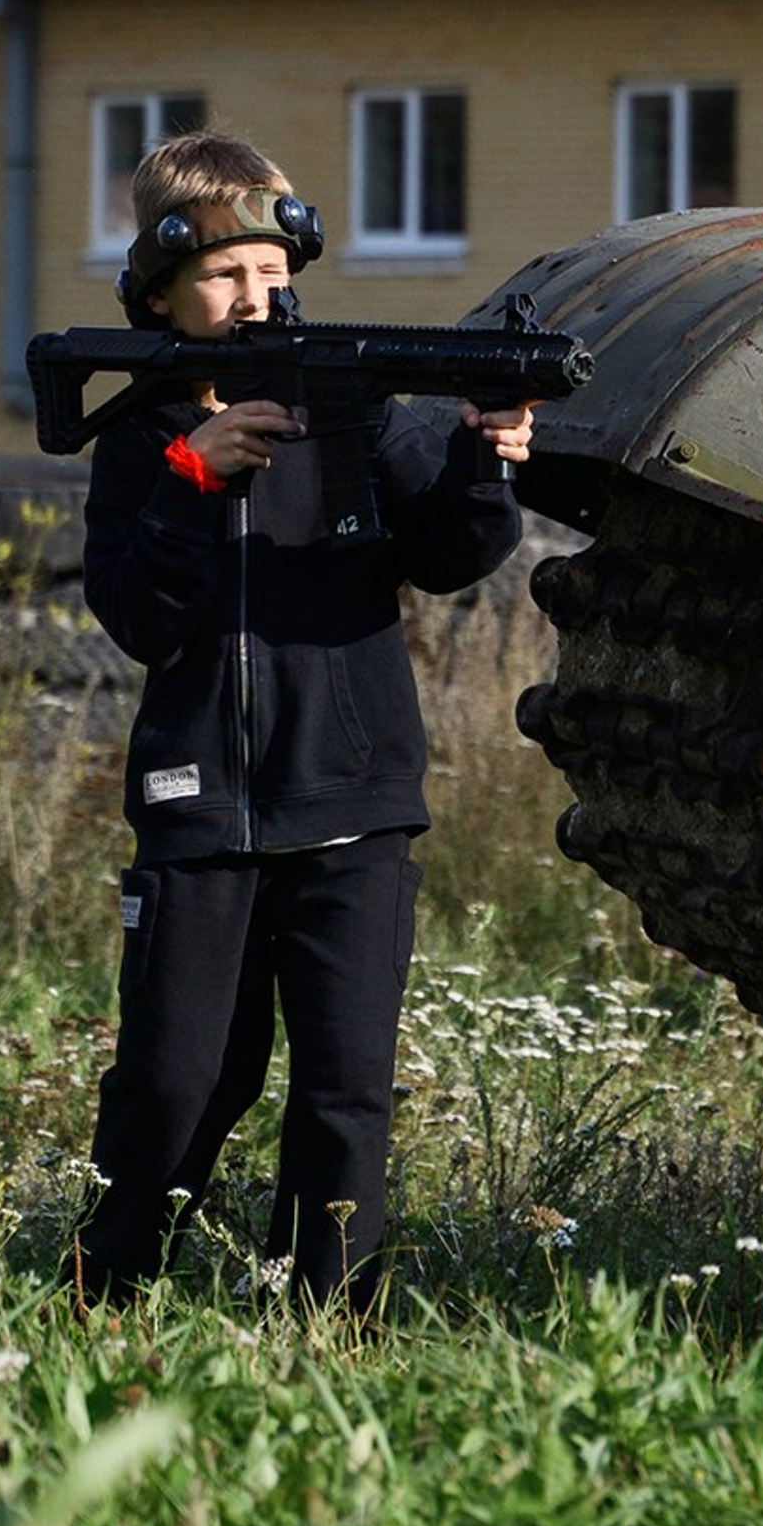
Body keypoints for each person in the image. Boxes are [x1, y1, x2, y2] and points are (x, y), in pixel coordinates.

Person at [72, 129, 534, 1307]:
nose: (254, 296)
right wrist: (192, 470)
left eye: (273, 273)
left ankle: (321, 1318)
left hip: (353, 799)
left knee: (345, 1089)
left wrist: (489, 457)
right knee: (180, 1080)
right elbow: (137, 615)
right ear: (162, 290)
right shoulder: (136, 437)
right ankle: (104, 1293)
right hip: (197, 811)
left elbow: (449, 555)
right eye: (225, 276)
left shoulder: (355, 409)